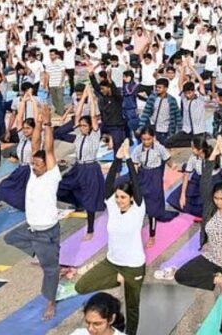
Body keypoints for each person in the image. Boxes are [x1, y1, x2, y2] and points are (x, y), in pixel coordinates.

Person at [174, 136, 222, 335]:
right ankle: (217, 281)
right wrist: (211, 158)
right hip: (213, 257)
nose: (218, 202)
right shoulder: (210, 208)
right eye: (216, 198)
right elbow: (205, 182)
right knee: (181, 275)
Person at [74, 141, 146, 335]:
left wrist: (128, 158)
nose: (119, 200)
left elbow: (136, 183)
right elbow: (108, 185)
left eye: (123, 197)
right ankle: (117, 279)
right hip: (112, 263)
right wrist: (117, 158)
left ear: (131, 198)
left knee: (132, 307)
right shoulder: (113, 207)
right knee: (81, 286)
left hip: (133, 266)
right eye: (117, 197)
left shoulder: (138, 209)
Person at [4, 105, 62, 319]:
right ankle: (42, 252)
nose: (34, 166)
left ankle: (51, 302)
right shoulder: (34, 172)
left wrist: (47, 123)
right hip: (32, 229)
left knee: (50, 270)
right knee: (10, 238)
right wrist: (37, 124)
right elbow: (36, 144)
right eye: (33, 163)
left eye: (37, 164)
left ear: (47, 165)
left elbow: (48, 149)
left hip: (46, 231)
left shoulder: (51, 175)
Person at [57, 88, 107, 239]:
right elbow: (77, 115)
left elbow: (93, 116)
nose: (82, 127)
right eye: (81, 126)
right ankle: (78, 203)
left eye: (85, 126)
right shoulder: (79, 134)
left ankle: (90, 230)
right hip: (78, 167)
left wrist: (90, 97)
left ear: (91, 126)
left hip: (90, 168)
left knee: (90, 198)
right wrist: (83, 96)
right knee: (60, 187)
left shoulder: (94, 135)